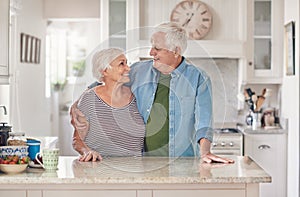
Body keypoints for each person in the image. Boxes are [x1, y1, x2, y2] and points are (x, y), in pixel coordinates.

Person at [71, 22, 234, 163]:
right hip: (143, 162)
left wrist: (205, 152)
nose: (151, 53)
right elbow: (107, 80)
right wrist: (78, 104)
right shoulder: (139, 71)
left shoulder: (198, 78)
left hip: (181, 161)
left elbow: (204, 121)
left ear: (176, 51)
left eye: (157, 48)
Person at [72, 48, 145, 162]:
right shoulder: (89, 99)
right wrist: (87, 152)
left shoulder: (136, 95)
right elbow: (77, 140)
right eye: (122, 64)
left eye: (127, 63)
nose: (128, 68)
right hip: (98, 169)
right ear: (104, 70)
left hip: (135, 170)